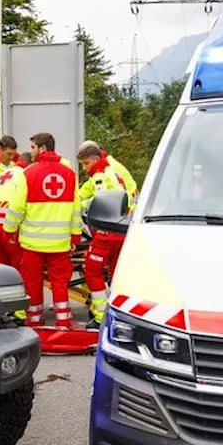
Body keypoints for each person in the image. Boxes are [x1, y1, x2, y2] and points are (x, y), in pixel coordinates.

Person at [4, 132, 81, 330]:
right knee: (60, 282)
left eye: (32, 147)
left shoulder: (27, 173)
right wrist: (75, 235)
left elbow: (17, 207)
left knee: (32, 281)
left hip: (32, 242)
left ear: (43, 148)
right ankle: (63, 321)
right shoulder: (70, 174)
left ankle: (35, 319)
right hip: (60, 242)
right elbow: (75, 209)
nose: (31, 151)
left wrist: (9, 229)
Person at [77, 141, 140, 329]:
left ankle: (100, 316)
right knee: (116, 274)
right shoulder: (114, 169)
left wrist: (75, 207)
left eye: (86, 163)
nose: (84, 168)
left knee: (92, 270)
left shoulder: (101, 176)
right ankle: (120, 313)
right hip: (124, 229)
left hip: (107, 231)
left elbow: (100, 201)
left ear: (95, 159)